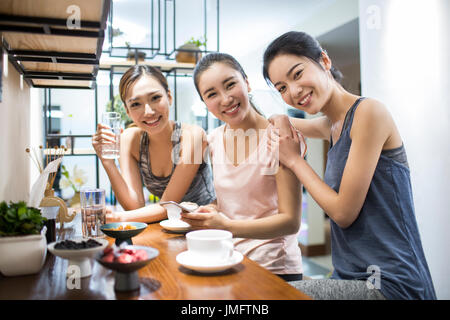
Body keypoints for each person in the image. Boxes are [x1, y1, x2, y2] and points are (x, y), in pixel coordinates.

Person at [262, 31, 436, 299]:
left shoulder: (369, 113)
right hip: (348, 276)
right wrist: (276, 117)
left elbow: (343, 213)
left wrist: (295, 160)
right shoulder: (331, 125)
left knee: (269, 295)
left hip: (390, 283)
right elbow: (274, 121)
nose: (294, 92)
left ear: (324, 61)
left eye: (297, 74)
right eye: (282, 88)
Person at [180, 52, 304, 281]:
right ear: (205, 104)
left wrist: (228, 226)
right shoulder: (213, 140)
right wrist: (214, 209)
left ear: (246, 82)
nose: (225, 99)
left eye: (230, 85)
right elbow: (241, 202)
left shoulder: (280, 138)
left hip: (275, 269)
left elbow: (291, 221)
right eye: (212, 94)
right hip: (228, 259)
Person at [92, 65, 215, 223]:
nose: (148, 111)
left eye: (155, 98)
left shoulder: (193, 136)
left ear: (169, 97)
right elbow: (135, 207)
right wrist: (107, 161)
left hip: (205, 226)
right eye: (136, 104)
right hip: (167, 229)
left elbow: (170, 206)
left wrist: (118, 217)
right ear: (127, 111)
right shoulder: (130, 140)